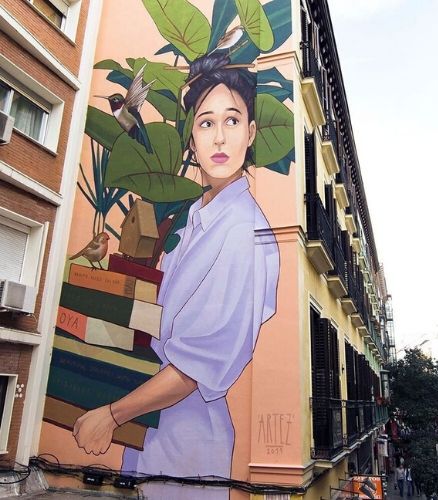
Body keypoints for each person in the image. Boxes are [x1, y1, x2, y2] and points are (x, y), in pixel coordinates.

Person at [72, 53, 280, 499]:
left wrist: (111, 414)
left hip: (189, 444)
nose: (219, 137)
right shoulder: (195, 219)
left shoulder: (244, 231)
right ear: (190, 137)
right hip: (152, 428)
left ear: (251, 133)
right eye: (205, 123)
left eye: (232, 120)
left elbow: (194, 365)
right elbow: (157, 314)